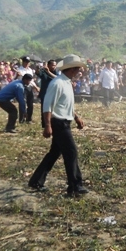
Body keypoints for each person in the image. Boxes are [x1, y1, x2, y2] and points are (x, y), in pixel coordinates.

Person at [28, 54, 88, 196]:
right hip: (58, 123)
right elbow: (48, 106)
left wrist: (77, 117)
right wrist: (47, 125)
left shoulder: (67, 83)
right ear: (72, 69)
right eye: (78, 68)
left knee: (55, 153)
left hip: (65, 121)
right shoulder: (57, 83)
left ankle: (36, 181)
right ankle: (75, 186)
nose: (80, 71)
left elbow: (66, 105)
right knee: (71, 152)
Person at [16, 56, 39, 123]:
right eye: (26, 62)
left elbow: (31, 80)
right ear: (23, 62)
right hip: (22, 87)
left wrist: (35, 87)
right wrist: (18, 75)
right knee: (23, 103)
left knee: (30, 104)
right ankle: (22, 119)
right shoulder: (19, 70)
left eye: (28, 62)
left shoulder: (30, 70)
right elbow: (16, 79)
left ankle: (29, 119)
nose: (27, 63)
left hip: (29, 87)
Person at [38, 59, 57, 127]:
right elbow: (38, 74)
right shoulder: (43, 71)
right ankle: (44, 124)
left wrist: (48, 72)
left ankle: (52, 123)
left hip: (53, 94)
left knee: (53, 109)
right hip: (44, 93)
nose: (54, 66)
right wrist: (38, 68)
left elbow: (56, 77)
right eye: (52, 65)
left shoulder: (56, 72)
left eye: (55, 65)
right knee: (44, 109)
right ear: (48, 65)